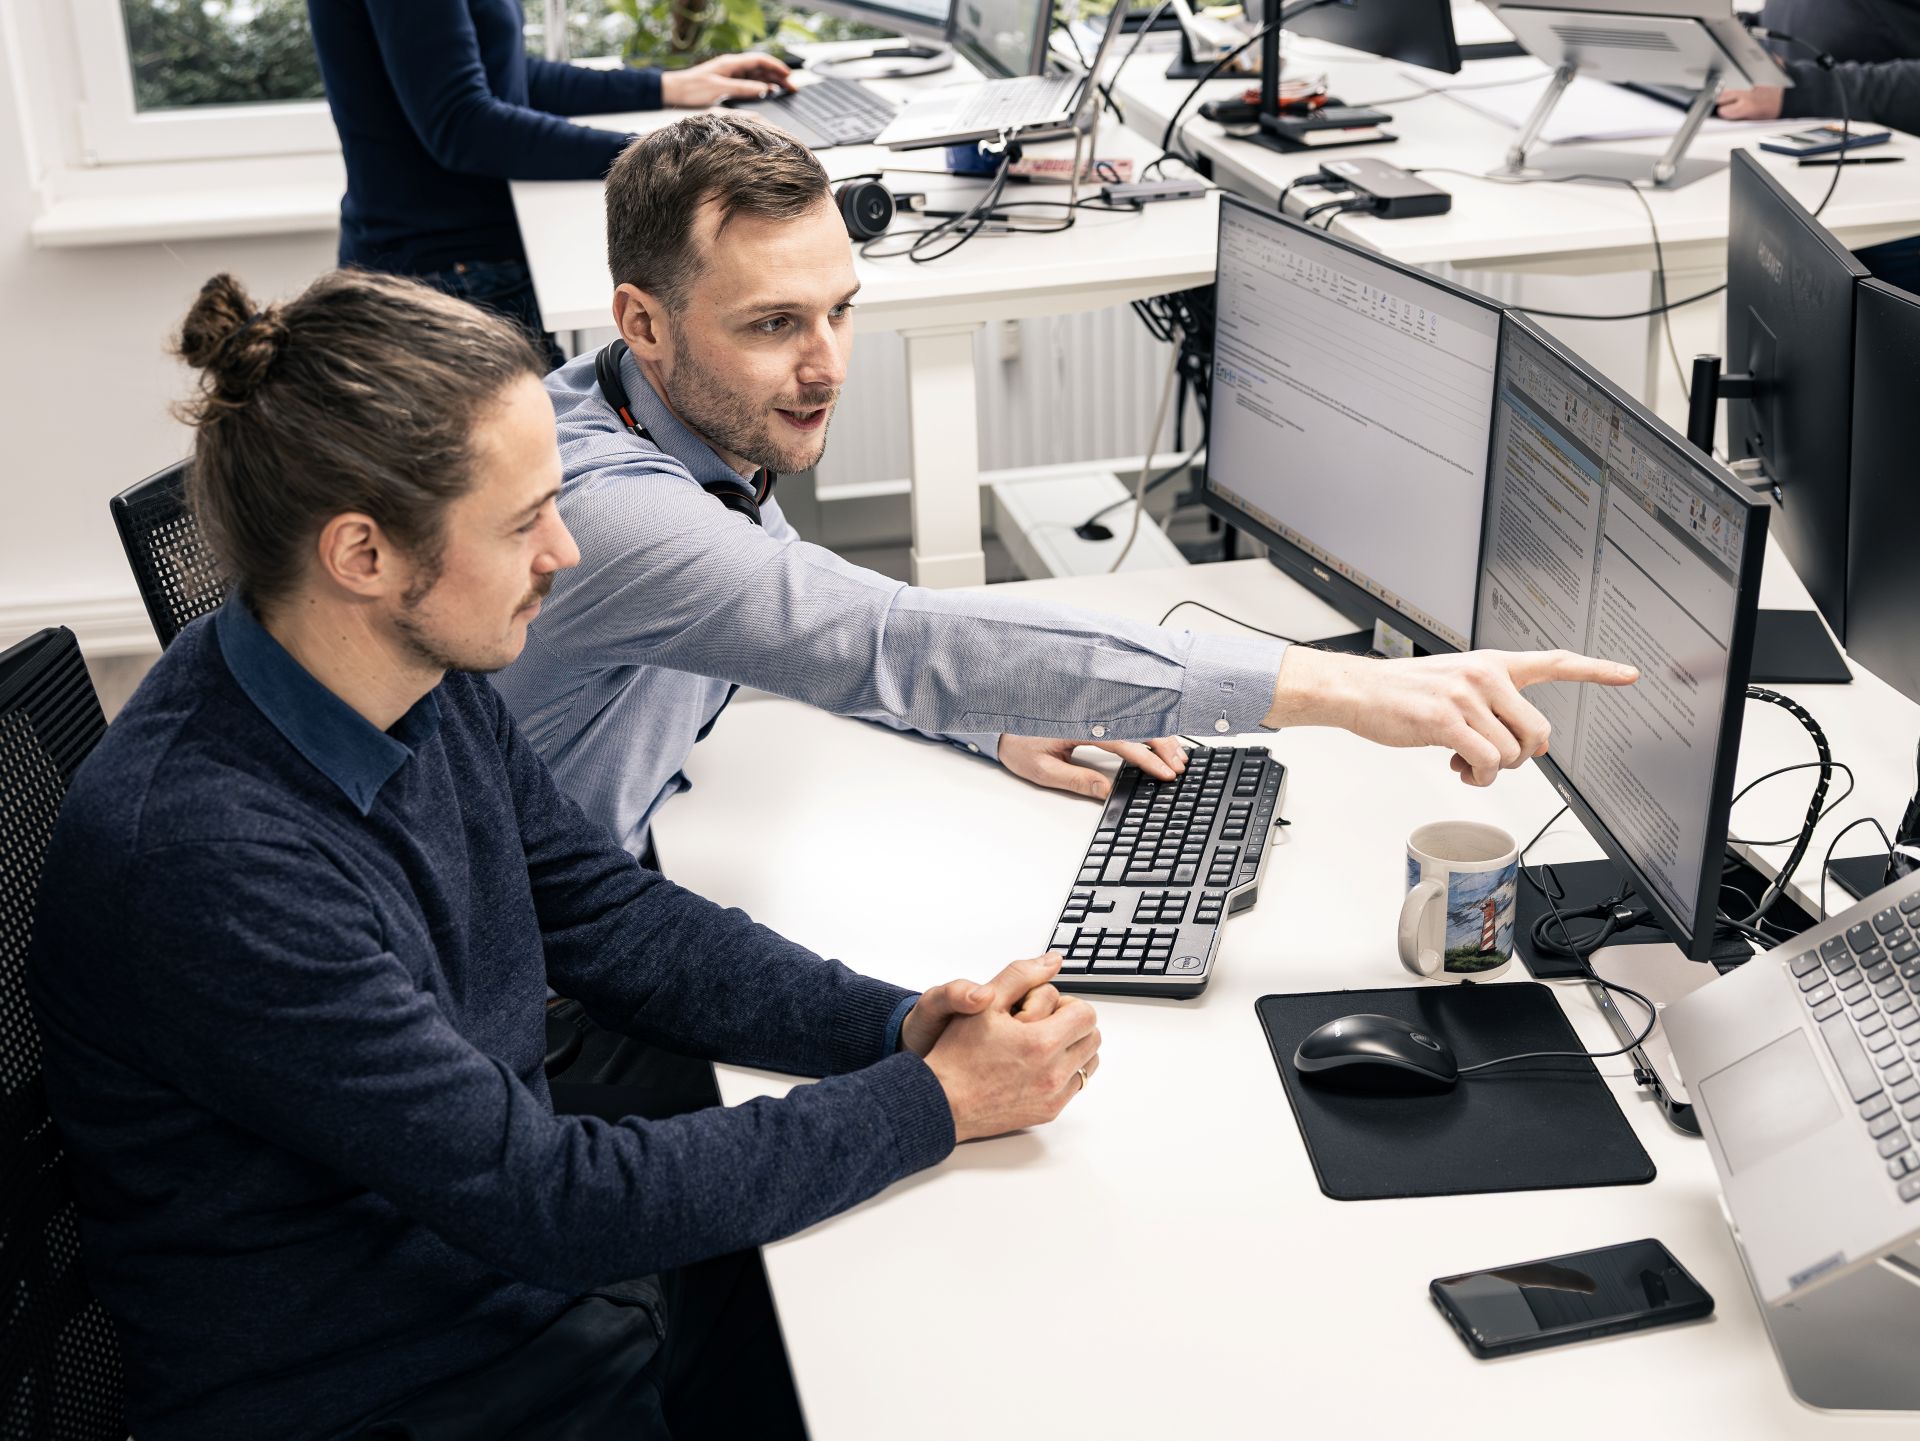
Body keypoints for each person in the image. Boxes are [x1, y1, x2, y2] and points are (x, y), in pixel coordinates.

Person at [26, 269, 1099, 1441]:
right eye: (523, 518)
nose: (567, 549)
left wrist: (895, 1028)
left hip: (502, 1287)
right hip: (395, 1381)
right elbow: (545, 1199)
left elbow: (607, 914)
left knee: (941, 1317)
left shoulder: (405, 671)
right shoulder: (209, 857)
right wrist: (932, 1101)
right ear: (363, 554)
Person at [492, 113, 1642, 874]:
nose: (830, 364)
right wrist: (1349, 689)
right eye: (774, 325)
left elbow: (795, 629)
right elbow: (872, 633)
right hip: (550, 998)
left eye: (840, 308)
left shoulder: (663, 408)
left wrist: (994, 718)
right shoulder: (607, 509)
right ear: (642, 319)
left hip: (636, 860)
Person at [306, 0, 792, 366]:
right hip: (449, 280)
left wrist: (668, 87)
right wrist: (667, 153)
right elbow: (461, 124)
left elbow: (507, 76)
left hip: (457, 267)